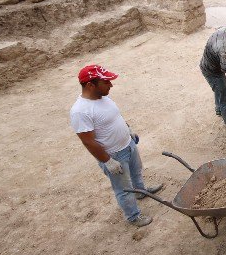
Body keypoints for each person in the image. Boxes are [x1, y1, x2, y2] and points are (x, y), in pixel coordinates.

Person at [70, 65, 163, 228]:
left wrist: (128, 130)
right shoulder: (80, 111)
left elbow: (116, 116)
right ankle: (133, 216)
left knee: (136, 172)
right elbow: (88, 141)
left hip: (128, 145)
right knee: (124, 189)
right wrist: (108, 161)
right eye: (106, 82)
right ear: (91, 85)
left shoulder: (103, 97)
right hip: (114, 155)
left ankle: (141, 192)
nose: (110, 85)